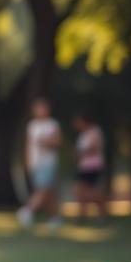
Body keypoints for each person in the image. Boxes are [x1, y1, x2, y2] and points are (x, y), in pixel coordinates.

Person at [17, 97, 62, 228]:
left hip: (48, 163)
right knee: (48, 192)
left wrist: (46, 142)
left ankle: (27, 211)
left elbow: (57, 142)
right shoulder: (32, 126)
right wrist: (27, 162)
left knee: (43, 189)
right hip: (35, 163)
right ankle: (55, 219)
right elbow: (28, 146)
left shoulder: (53, 125)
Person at [73, 112, 108, 221]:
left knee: (87, 191)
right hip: (84, 166)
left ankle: (101, 213)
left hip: (92, 166)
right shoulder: (83, 134)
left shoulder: (94, 131)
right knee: (81, 191)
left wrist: (81, 153)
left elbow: (95, 147)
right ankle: (84, 215)